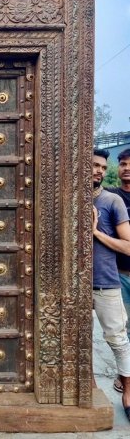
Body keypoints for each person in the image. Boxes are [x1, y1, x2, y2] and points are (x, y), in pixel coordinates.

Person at [92, 148, 130, 422]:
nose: (99, 171)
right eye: (94, 165)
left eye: (103, 168)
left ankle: (128, 392)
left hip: (106, 281)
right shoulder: (68, 198)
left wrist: (94, 232)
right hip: (71, 285)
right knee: (76, 342)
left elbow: (128, 247)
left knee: (117, 339)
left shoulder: (112, 201)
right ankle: (89, 386)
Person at [106, 148, 130, 393]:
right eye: (123, 164)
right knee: (122, 328)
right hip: (120, 274)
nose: (126, 169)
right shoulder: (111, 197)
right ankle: (124, 377)